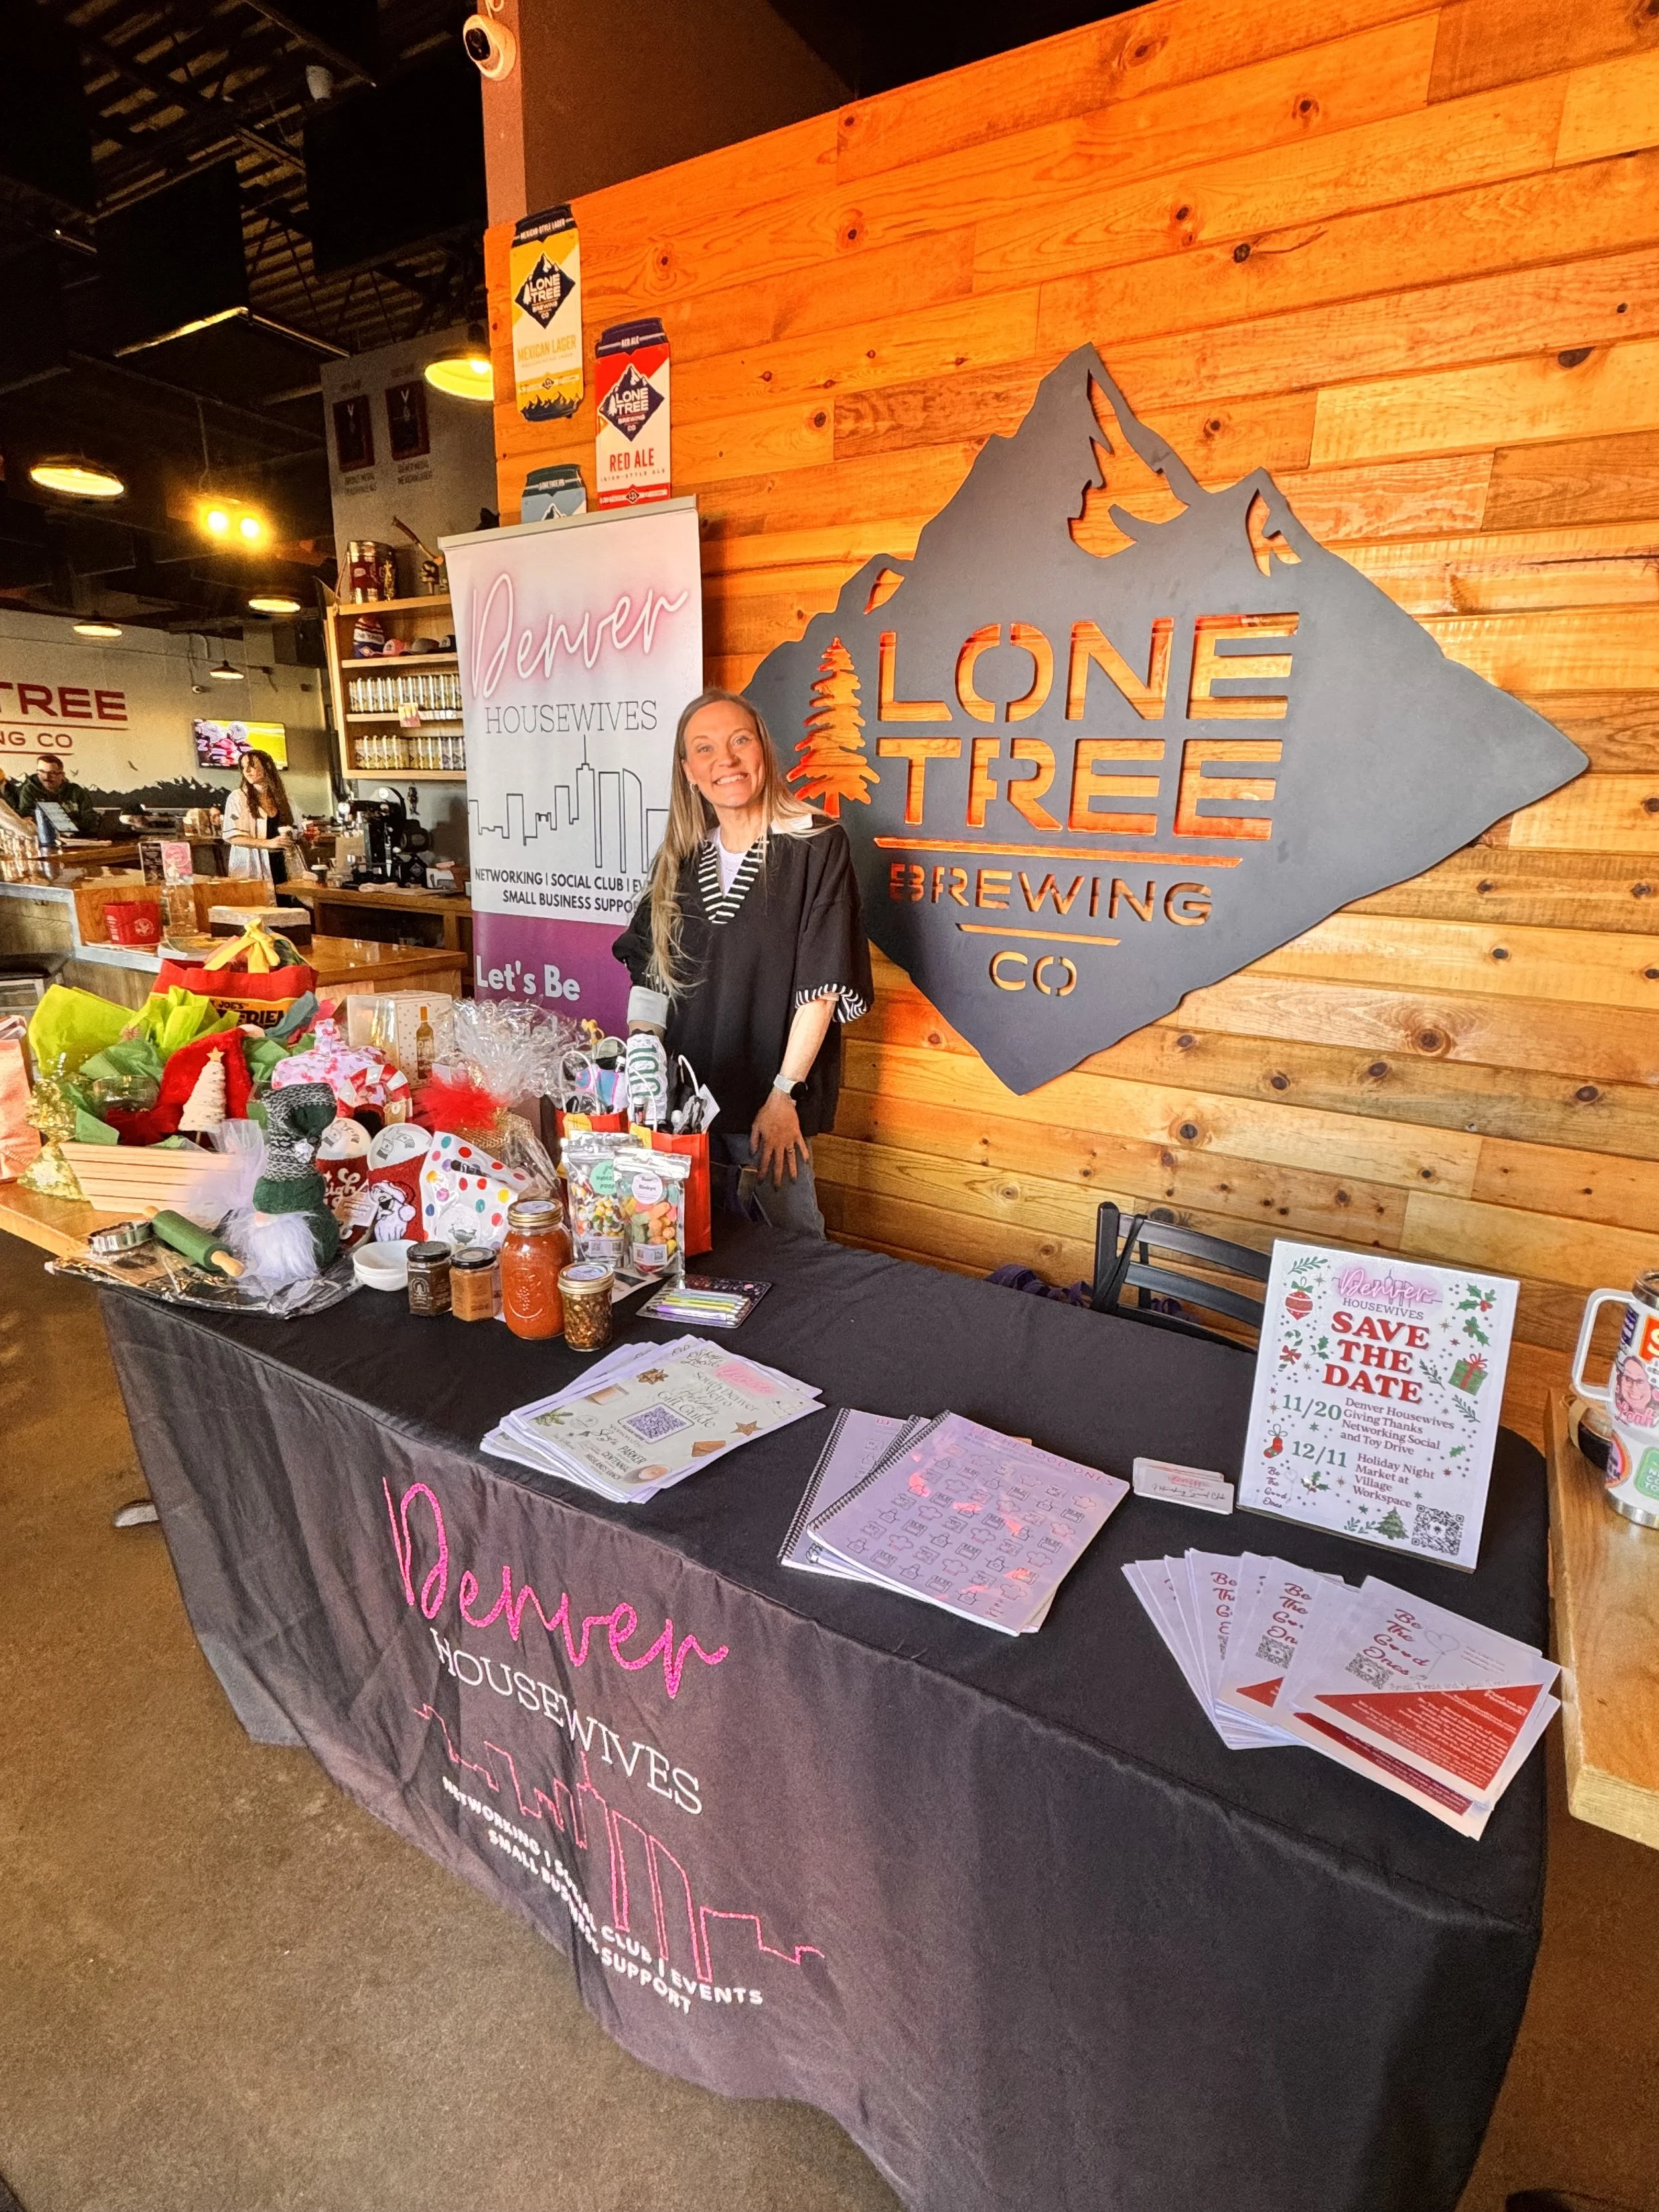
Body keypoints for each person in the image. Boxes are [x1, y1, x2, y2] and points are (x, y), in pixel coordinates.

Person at [612, 688, 872, 1237]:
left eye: (739, 741)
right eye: (704, 749)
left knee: (795, 1246)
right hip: (681, 1108)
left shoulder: (816, 845)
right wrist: (642, 1052)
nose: (724, 761)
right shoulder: (681, 856)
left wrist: (784, 1094)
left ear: (764, 751)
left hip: (769, 1107)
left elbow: (822, 987)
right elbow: (650, 967)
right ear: (688, 771)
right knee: (687, 1244)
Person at [222, 747, 299, 889]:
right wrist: (268, 844)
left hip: (283, 865)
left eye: (252, 766)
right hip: (252, 867)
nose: (247, 771)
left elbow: (296, 831)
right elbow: (232, 837)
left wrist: (307, 836)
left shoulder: (284, 799)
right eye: (244, 767)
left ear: (267, 767)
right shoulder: (238, 797)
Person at [10, 755, 104, 839]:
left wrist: (68, 824)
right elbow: (28, 817)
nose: (46, 777)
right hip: (45, 840)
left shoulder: (76, 791)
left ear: (62, 775)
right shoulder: (29, 790)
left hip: (79, 839)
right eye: (41, 772)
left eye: (52, 773)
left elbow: (90, 818)